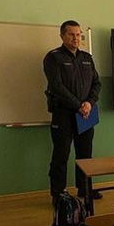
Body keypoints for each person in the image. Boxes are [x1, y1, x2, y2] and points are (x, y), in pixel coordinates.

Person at [44, 20, 102, 201]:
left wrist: (89, 103)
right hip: (63, 114)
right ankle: (58, 194)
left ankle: (85, 189)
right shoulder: (53, 57)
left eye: (78, 34)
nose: (76, 38)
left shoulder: (87, 58)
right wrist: (78, 105)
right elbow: (57, 87)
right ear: (62, 36)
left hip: (86, 114)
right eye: (71, 34)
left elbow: (97, 84)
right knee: (61, 156)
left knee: (85, 155)